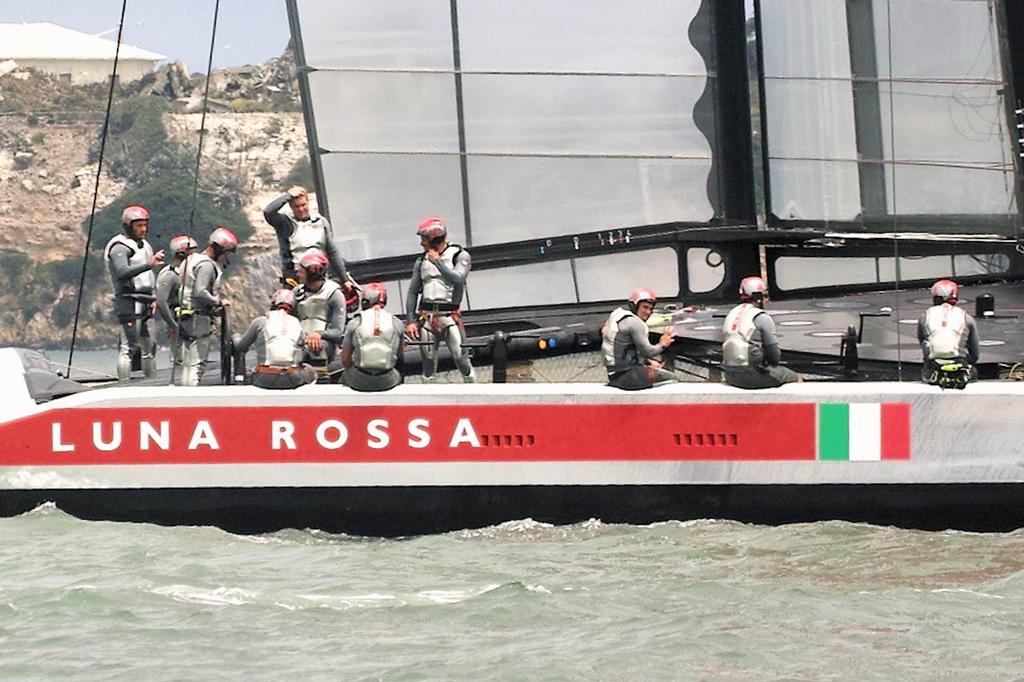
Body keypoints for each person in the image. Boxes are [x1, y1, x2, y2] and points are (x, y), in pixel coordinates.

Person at [404, 216, 475, 382]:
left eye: (423, 239)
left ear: (433, 238)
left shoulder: (459, 255)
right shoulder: (421, 261)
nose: (421, 243)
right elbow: (413, 291)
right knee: (428, 366)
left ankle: (474, 395)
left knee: (461, 359)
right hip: (427, 318)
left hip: (450, 317)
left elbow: (458, 278)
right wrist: (410, 321)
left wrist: (438, 263)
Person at [104, 204, 165, 380]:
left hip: (146, 300)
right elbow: (122, 272)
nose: (143, 229)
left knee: (149, 347)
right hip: (129, 300)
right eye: (139, 225)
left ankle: (150, 383)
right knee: (128, 347)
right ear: (128, 226)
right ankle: (124, 384)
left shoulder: (145, 245)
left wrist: (153, 297)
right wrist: (149, 264)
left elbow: (149, 275)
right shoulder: (119, 247)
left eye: (145, 225)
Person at [176, 226, 238, 386]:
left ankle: (183, 399)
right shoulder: (207, 266)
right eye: (226, 253)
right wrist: (218, 302)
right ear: (219, 249)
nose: (226, 258)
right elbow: (201, 292)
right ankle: (191, 401)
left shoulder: (192, 259)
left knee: (187, 364)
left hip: (185, 316)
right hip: (198, 318)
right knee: (197, 364)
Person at [721, 276, 802, 389]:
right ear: (760, 297)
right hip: (751, 374)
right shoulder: (761, 317)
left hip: (729, 374)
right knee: (793, 377)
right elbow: (774, 356)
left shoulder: (732, 313)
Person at [263, 184, 350, 288]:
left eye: (303, 205)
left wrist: (345, 279)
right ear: (291, 206)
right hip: (296, 280)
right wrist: (288, 196)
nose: (301, 209)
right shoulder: (285, 223)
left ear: (308, 202)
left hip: (321, 278)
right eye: (296, 206)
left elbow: (332, 252)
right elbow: (268, 212)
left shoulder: (321, 222)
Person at [232, 288, 317, 390]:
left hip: (264, 378)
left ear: (273, 302)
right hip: (292, 378)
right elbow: (304, 350)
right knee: (311, 372)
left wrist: (235, 336)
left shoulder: (261, 321)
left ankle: (239, 381)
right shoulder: (298, 324)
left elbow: (240, 346)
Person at [601, 287, 677, 390]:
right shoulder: (636, 323)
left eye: (650, 309)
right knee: (671, 378)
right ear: (634, 306)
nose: (648, 312)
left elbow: (626, 347)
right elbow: (648, 352)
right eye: (645, 307)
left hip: (614, 375)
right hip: (628, 376)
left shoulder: (617, 315)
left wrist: (649, 362)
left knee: (653, 369)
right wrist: (663, 343)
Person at [340, 283, 404, 391]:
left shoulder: (354, 323)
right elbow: (400, 357)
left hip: (358, 380)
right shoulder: (397, 323)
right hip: (388, 380)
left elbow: (345, 359)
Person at [918, 279, 980, 387]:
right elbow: (975, 354)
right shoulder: (966, 318)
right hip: (959, 364)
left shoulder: (925, 317)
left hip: (933, 368)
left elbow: (922, 342)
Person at [155, 233, 197, 385]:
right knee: (179, 360)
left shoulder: (189, 272)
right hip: (176, 320)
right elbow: (161, 301)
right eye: (191, 252)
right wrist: (174, 325)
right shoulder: (170, 275)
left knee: (191, 360)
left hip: (189, 321)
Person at [294, 249, 346, 371]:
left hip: (324, 344)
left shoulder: (334, 294)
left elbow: (338, 332)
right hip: (300, 341)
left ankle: (321, 383)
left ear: (312, 273)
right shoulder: (297, 292)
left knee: (316, 348)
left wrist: (318, 334)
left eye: (302, 271)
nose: (298, 274)